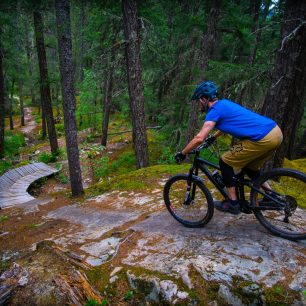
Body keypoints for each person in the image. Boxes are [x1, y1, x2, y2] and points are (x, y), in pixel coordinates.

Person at [175, 81, 283, 215]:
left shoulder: (213, 111)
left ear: (204, 99)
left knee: (225, 162)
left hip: (262, 138)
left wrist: (183, 153)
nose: (198, 104)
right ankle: (271, 196)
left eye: (198, 101)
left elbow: (199, 138)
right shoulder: (224, 104)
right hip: (275, 132)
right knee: (250, 168)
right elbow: (230, 120)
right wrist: (214, 137)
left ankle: (233, 203)